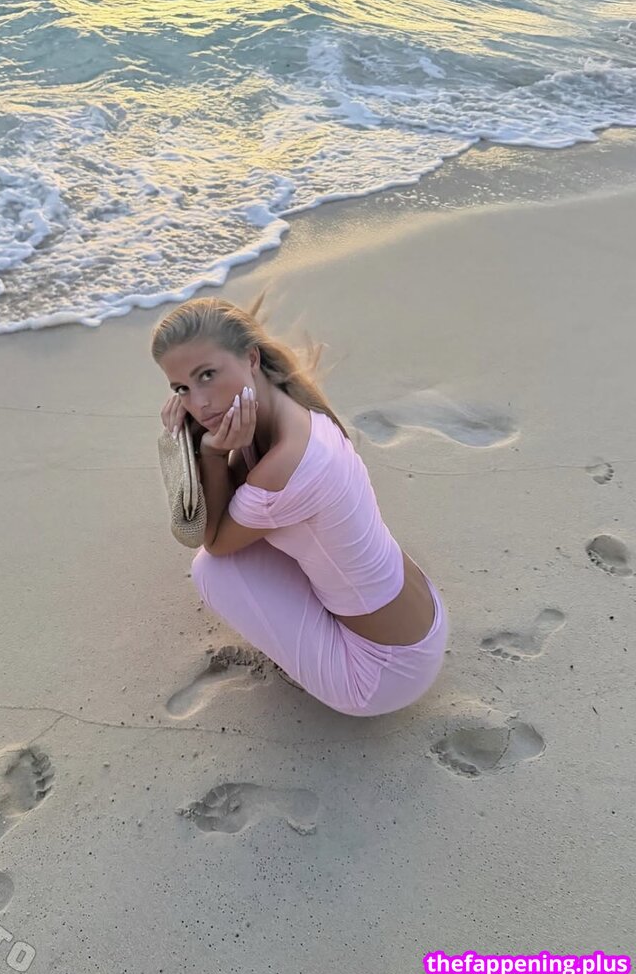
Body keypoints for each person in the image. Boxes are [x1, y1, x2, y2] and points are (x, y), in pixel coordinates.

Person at [151, 286, 449, 717]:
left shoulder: (285, 465)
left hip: (381, 675)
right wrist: (207, 439)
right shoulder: (292, 407)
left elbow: (213, 541)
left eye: (208, 375)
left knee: (213, 570)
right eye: (181, 388)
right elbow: (231, 509)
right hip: (422, 619)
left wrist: (212, 454)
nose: (198, 403)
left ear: (251, 358)